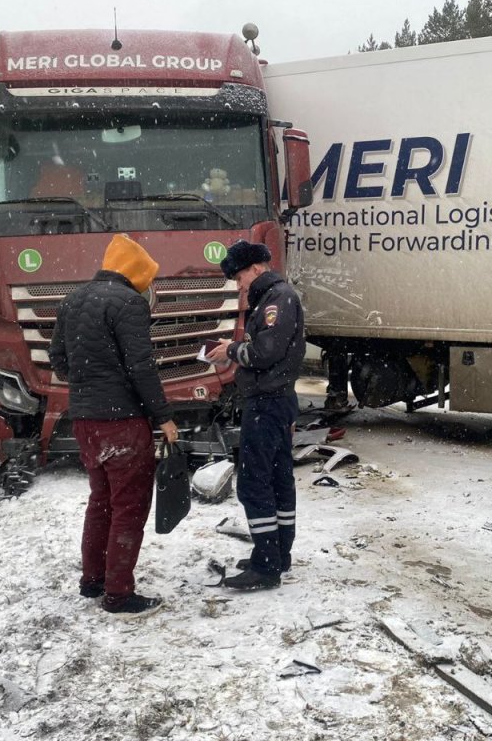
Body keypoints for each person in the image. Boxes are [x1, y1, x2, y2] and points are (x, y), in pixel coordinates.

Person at [49, 234, 179, 615]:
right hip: (122, 423)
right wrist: (164, 417)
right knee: (129, 507)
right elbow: (142, 367)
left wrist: (88, 384)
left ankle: (93, 580)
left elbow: (57, 357)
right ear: (136, 272)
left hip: (85, 420)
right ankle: (119, 594)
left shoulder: (72, 300)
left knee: (100, 502)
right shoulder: (129, 303)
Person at [206, 240, 306, 591]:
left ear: (255, 268)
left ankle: (266, 566)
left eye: (239, 277)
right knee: (278, 481)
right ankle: (277, 554)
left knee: (255, 484)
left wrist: (232, 350)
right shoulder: (274, 297)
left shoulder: (277, 299)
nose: (239, 285)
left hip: (266, 404)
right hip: (275, 402)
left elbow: (266, 351)